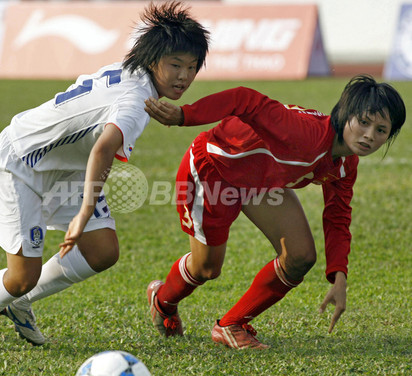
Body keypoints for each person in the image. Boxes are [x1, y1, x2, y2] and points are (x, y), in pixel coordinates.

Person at [0, 1, 209, 355]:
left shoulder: (129, 72)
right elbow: (102, 149)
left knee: (101, 252)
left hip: (65, 163)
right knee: (20, 277)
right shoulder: (135, 99)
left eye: (192, 67)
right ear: (152, 59)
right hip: (23, 160)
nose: (184, 77)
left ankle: (18, 304)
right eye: (175, 65)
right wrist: (84, 211)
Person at [144, 75, 406, 349]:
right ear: (345, 114)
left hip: (261, 182)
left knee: (300, 256)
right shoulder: (306, 132)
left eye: (381, 130)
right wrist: (184, 115)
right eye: (363, 122)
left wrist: (338, 275)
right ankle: (162, 300)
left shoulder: (346, 164)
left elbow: (337, 217)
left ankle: (231, 325)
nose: (369, 135)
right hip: (214, 169)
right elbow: (243, 99)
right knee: (206, 269)